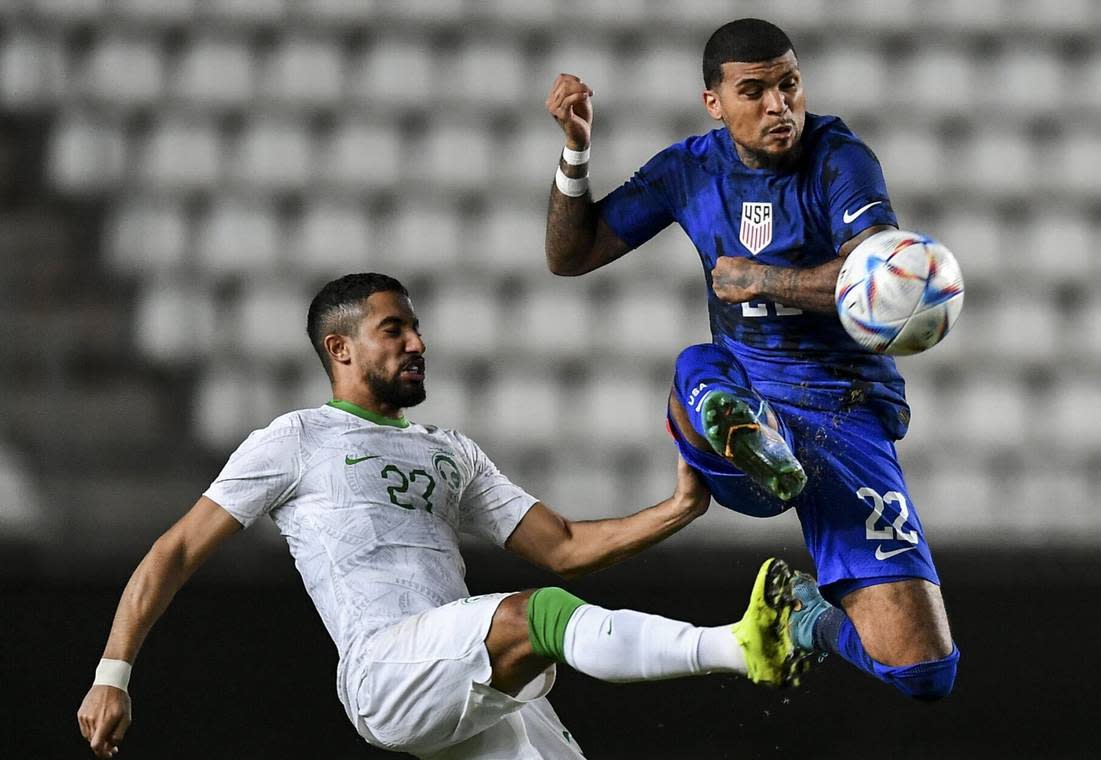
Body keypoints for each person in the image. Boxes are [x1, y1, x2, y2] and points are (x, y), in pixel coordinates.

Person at [77, 273, 819, 760]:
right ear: (340, 349)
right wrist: (114, 672)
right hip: (384, 668)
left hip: (467, 677)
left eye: (417, 328)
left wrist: (682, 507)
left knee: (543, 620)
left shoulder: (450, 452)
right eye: (394, 330)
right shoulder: (294, 440)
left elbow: (563, 545)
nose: (417, 343)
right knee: (543, 615)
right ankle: (740, 646)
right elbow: (173, 553)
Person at [543, 18, 959, 701]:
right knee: (697, 367)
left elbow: (879, 279)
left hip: (843, 417)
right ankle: (741, 426)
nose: (778, 105)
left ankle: (804, 616)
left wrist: (763, 280)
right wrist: (576, 153)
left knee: (924, 671)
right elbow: (571, 255)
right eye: (755, 90)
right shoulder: (689, 168)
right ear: (715, 101)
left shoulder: (838, 157)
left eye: (789, 85)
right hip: (744, 407)